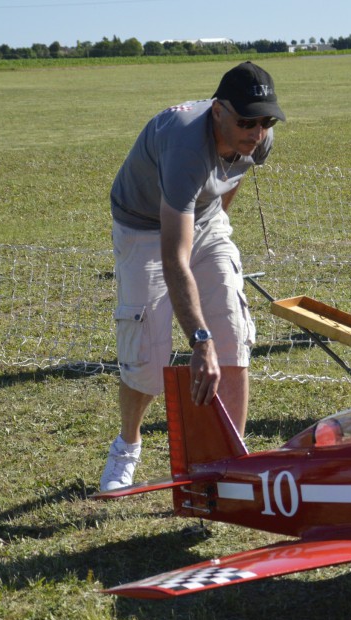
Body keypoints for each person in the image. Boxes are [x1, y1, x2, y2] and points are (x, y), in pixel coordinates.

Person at [100, 62, 285, 492]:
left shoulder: (258, 138)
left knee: (233, 336)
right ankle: (126, 446)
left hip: (204, 218)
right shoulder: (186, 146)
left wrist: (216, 222)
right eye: (246, 122)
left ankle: (228, 465)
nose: (257, 131)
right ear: (218, 111)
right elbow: (174, 258)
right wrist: (199, 341)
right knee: (148, 358)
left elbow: (231, 178)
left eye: (266, 121)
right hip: (144, 226)